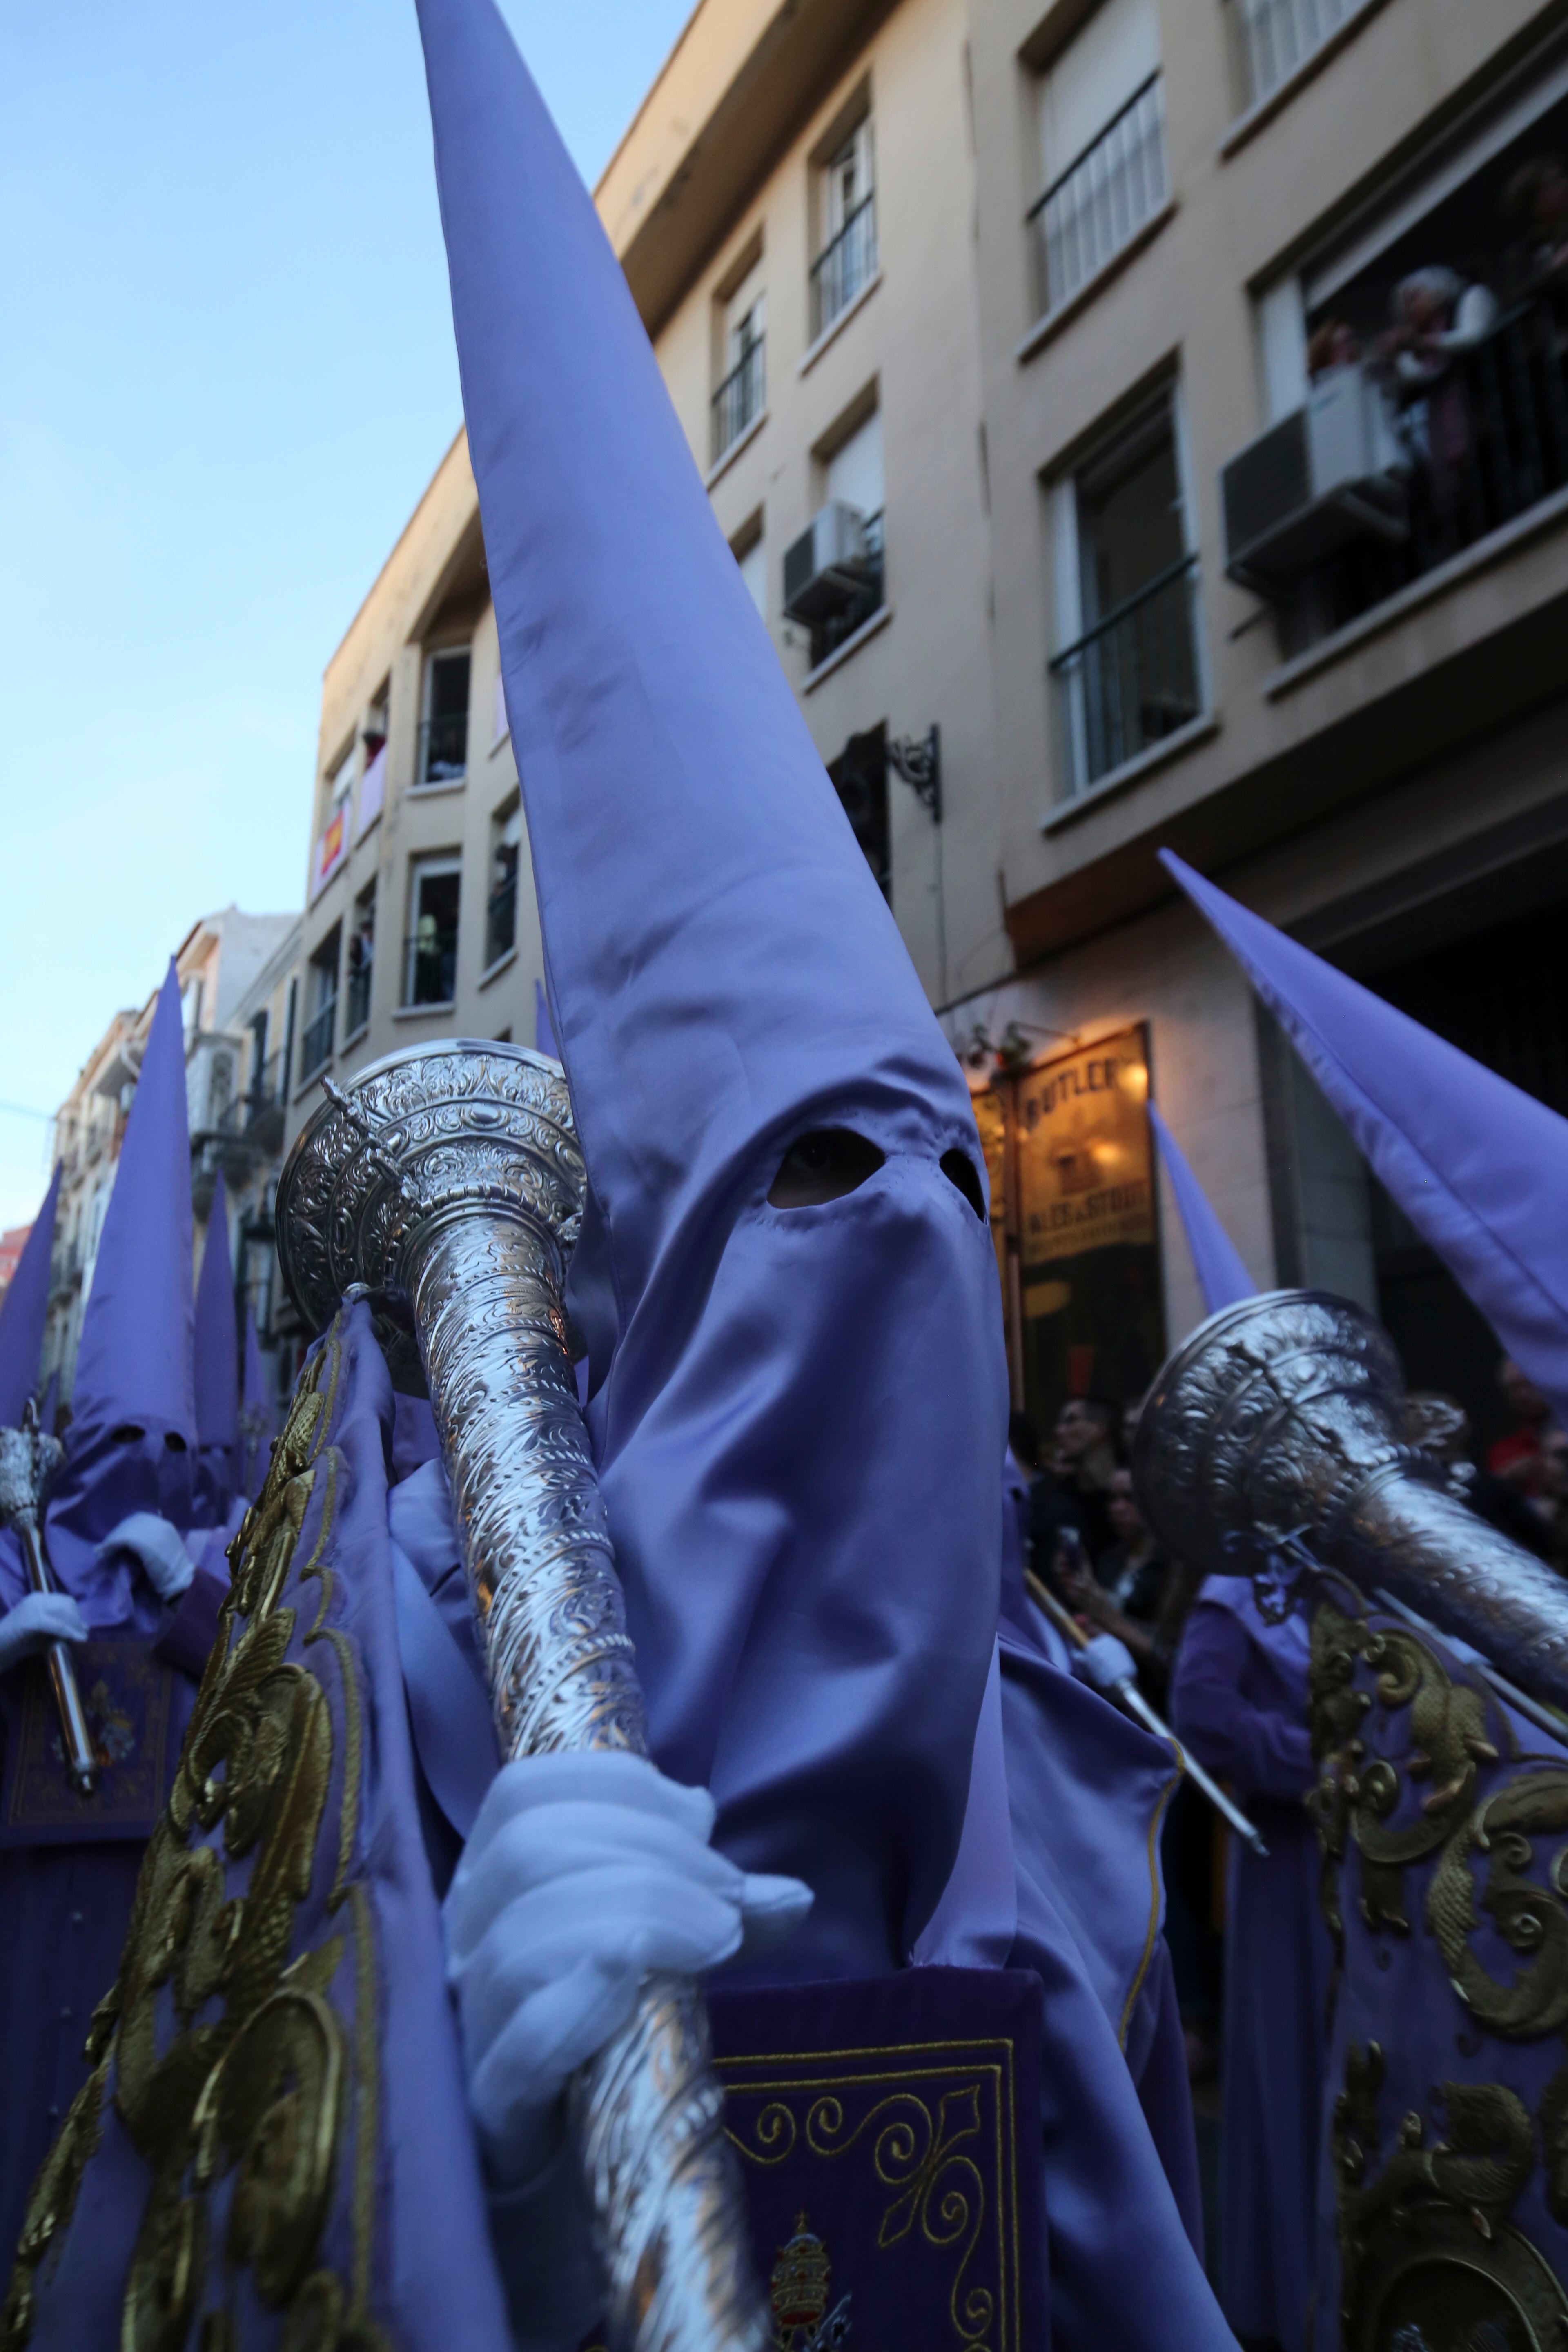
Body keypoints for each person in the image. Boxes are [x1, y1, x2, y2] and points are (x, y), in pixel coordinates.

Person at [0, 965, 233, 2260]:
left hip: (150, 1926)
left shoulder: (192, 1549)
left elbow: (273, 1709)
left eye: (162, 1428)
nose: (143, 1447)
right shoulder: (17, 1555)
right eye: (121, 1429)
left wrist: (190, 1593)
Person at [1171, 1579, 1331, 2352]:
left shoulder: (1365, 1578)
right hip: (1290, 1864)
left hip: (1377, 1856)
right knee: (1297, 2066)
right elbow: (1202, 1717)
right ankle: (1295, 2294)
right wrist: (1319, 1765)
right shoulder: (1237, 1593)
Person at [1030, 1394, 1119, 1574]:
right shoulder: (1058, 1494)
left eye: (1071, 1421)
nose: (1059, 1431)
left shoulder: (1127, 1495)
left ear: (1099, 1429)